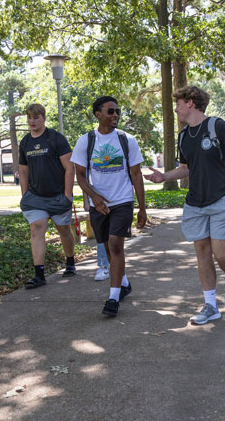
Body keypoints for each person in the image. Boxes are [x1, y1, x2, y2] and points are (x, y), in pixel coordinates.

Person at [145, 85, 225, 325]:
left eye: (178, 104)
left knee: (221, 254)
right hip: (195, 203)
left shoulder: (219, 127)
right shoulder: (183, 136)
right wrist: (163, 177)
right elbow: (186, 169)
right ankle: (211, 305)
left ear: (190, 102)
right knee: (202, 252)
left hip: (222, 199)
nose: (176, 109)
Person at [72, 96, 147, 317]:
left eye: (117, 112)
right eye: (111, 111)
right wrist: (94, 197)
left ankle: (113, 298)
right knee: (106, 246)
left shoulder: (127, 140)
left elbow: (136, 174)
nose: (115, 115)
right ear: (98, 114)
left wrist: (142, 208)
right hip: (100, 204)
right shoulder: (85, 141)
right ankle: (123, 282)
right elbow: (80, 175)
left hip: (122, 200)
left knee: (115, 245)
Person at [18, 103, 77, 289]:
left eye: (35, 117)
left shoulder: (56, 138)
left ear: (43, 117)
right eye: (29, 117)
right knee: (37, 228)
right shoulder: (25, 142)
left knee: (64, 230)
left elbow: (69, 167)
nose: (32, 121)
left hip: (58, 195)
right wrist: (25, 195)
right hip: (35, 197)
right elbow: (23, 170)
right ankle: (39, 275)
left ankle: (70, 261)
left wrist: (67, 195)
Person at [84, 194, 110, 281]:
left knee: (115, 237)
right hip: (96, 204)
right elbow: (85, 181)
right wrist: (86, 201)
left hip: (119, 203)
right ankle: (103, 266)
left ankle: (117, 266)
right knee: (101, 237)